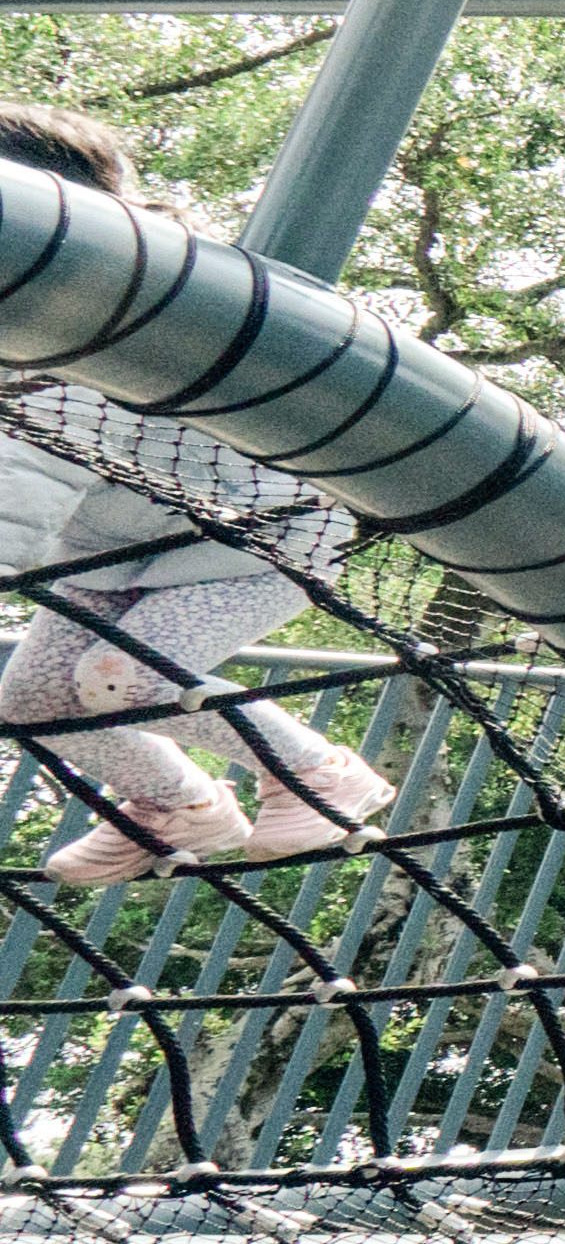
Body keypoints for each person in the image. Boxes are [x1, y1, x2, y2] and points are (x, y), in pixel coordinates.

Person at [0, 106, 395, 881]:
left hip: (252, 539)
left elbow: (31, 476)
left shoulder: (100, 301)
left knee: (130, 680)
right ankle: (180, 805)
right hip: (116, 545)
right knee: (34, 703)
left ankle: (318, 774)